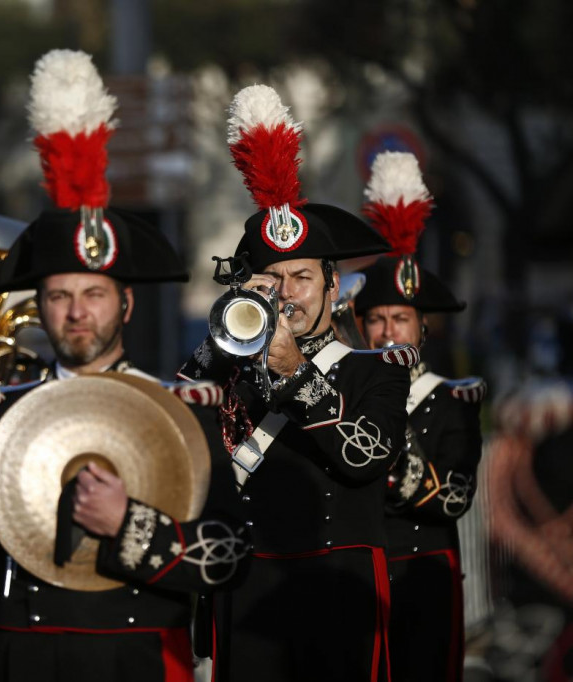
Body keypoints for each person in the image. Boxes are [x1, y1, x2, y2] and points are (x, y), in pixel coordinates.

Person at [0, 49, 247, 682]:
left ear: (127, 302)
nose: (76, 313)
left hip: (137, 655)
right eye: (60, 297)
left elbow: (228, 558)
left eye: (93, 295)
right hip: (20, 657)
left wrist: (130, 526)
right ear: (42, 307)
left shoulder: (184, 409)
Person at [178, 85, 413, 681]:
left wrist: (292, 374)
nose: (287, 294)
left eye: (303, 277)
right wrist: (224, 339)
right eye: (271, 278)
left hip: (341, 589)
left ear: (333, 288)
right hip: (248, 588)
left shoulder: (375, 369)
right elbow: (171, 425)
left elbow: (367, 458)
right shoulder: (223, 367)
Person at [354, 151, 485, 682]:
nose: (388, 333)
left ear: (421, 327)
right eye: (378, 320)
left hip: (425, 577)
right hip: (362, 578)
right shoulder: (346, 392)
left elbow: (453, 497)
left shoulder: (454, 400)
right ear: (361, 328)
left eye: (401, 320)